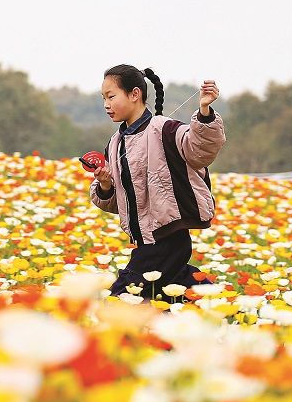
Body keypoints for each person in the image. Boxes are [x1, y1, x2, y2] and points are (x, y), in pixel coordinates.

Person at [89, 65, 225, 302]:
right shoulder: (115, 143)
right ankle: (217, 303)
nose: (106, 105)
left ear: (134, 94)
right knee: (172, 291)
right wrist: (105, 184)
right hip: (144, 240)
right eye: (103, 98)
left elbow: (200, 150)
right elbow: (117, 202)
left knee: (120, 299)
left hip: (167, 236)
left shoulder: (165, 129)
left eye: (111, 96)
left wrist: (204, 111)